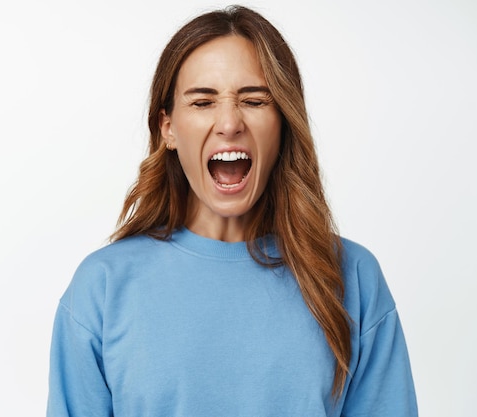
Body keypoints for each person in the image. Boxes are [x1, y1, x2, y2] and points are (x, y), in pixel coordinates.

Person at [47, 5, 418, 417]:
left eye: (255, 100)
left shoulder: (352, 278)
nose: (229, 123)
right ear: (168, 128)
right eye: (203, 102)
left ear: (283, 122)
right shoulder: (102, 288)